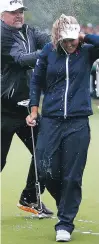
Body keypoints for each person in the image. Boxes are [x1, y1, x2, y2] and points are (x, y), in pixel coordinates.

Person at [26, 14, 99, 241]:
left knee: (72, 177)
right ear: (58, 36)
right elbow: (36, 81)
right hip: (50, 121)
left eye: (73, 38)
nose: (70, 43)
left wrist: (85, 36)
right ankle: (65, 203)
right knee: (45, 170)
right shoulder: (48, 51)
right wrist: (34, 110)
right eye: (65, 39)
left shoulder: (86, 51)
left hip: (78, 122)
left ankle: (64, 223)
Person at [1, 0, 53, 216]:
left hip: (27, 110)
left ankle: (30, 198)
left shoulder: (29, 31)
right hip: (3, 109)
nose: (19, 16)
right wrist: (49, 52)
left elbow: (47, 41)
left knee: (46, 152)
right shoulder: (2, 36)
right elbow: (20, 59)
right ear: (2, 14)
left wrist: (59, 42)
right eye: (14, 12)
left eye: (21, 11)